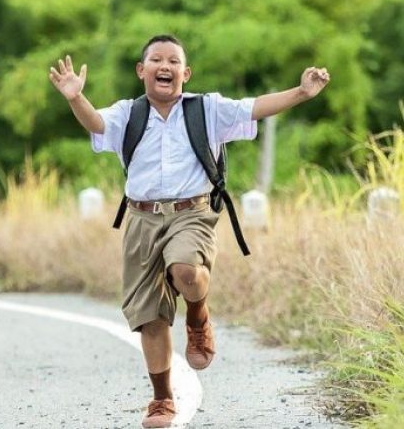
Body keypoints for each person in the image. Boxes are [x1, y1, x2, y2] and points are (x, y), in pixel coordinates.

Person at [48, 34, 330, 428]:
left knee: (186, 270)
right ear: (141, 70)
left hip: (192, 213)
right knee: (151, 317)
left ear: (186, 72)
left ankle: (198, 315)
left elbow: (255, 108)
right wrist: (76, 97)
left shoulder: (207, 109)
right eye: (156, 60)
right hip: (141, 218)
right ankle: (162, 400)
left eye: (173, 61)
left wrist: (301, 92)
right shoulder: (127, 114)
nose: (165, 66)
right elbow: (95, 123)